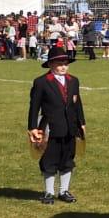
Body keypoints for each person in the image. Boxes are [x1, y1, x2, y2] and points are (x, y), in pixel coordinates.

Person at [27, 48, 85, 204]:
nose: (63, 67)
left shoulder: (74, 81)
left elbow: (77, 103)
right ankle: (48, 192)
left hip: (70, 127)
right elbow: (34, 106)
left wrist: (82, 122)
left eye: (66, 64)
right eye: (59, 64)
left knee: (67, 159)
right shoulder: (41, 82)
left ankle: (64, 191)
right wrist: (32, 127)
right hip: (50, 128)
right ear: (51, 64)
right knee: (49, 159)